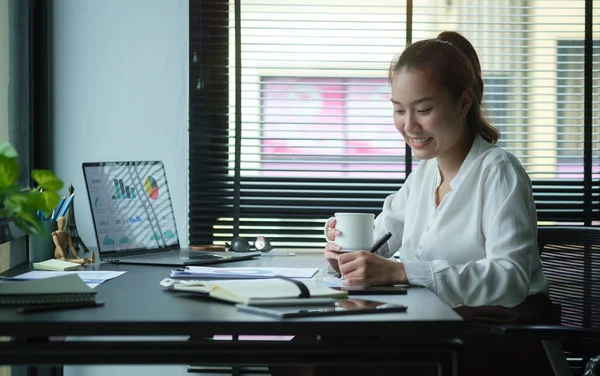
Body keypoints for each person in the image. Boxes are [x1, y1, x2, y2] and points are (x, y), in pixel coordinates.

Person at [272, 31, 558, 376]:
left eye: (423, 110)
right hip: (432, 322)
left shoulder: (499, 172)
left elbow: (509, 278)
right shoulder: (425, 174)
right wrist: (343, 252)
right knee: (303, 349)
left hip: (493, 336)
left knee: (329, 362)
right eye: (398, 110)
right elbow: (379, 237)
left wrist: (402, 271)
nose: (409, 126)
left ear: (464, 103)